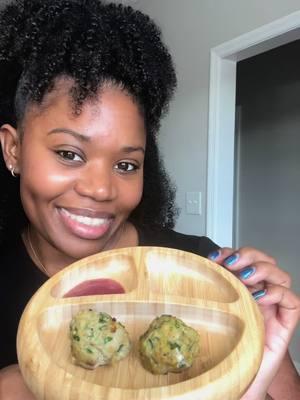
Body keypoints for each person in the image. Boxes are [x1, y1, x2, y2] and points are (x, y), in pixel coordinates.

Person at [0, 1, 299, 399]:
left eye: (126, 164)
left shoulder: (206, 270)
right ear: (13, 150)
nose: (102, 189)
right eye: (69, 154)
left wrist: (246, 373)